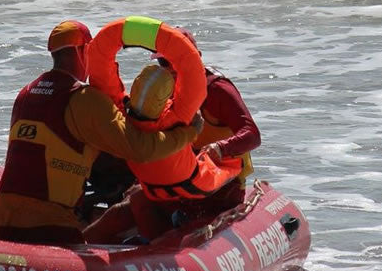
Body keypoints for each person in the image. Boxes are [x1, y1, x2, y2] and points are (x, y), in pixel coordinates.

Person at [0, 20, 203, 245]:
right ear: (84, 51)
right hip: (49, 229)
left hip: (1, 223)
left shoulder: (26, 93)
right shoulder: (84, 99)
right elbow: (140, 149)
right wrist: (188, 133)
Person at [84, 27, 260, 243]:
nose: (170, 70)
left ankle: (159, 255)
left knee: (140, 202)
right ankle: (70, 254)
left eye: (177, 63)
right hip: (182, 185)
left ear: (195, 61)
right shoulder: (162, 95)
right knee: (129, 204)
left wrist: (220, 149)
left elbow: (252, 134)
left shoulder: (217, 90)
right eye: (163, 63)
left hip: (220, 190)